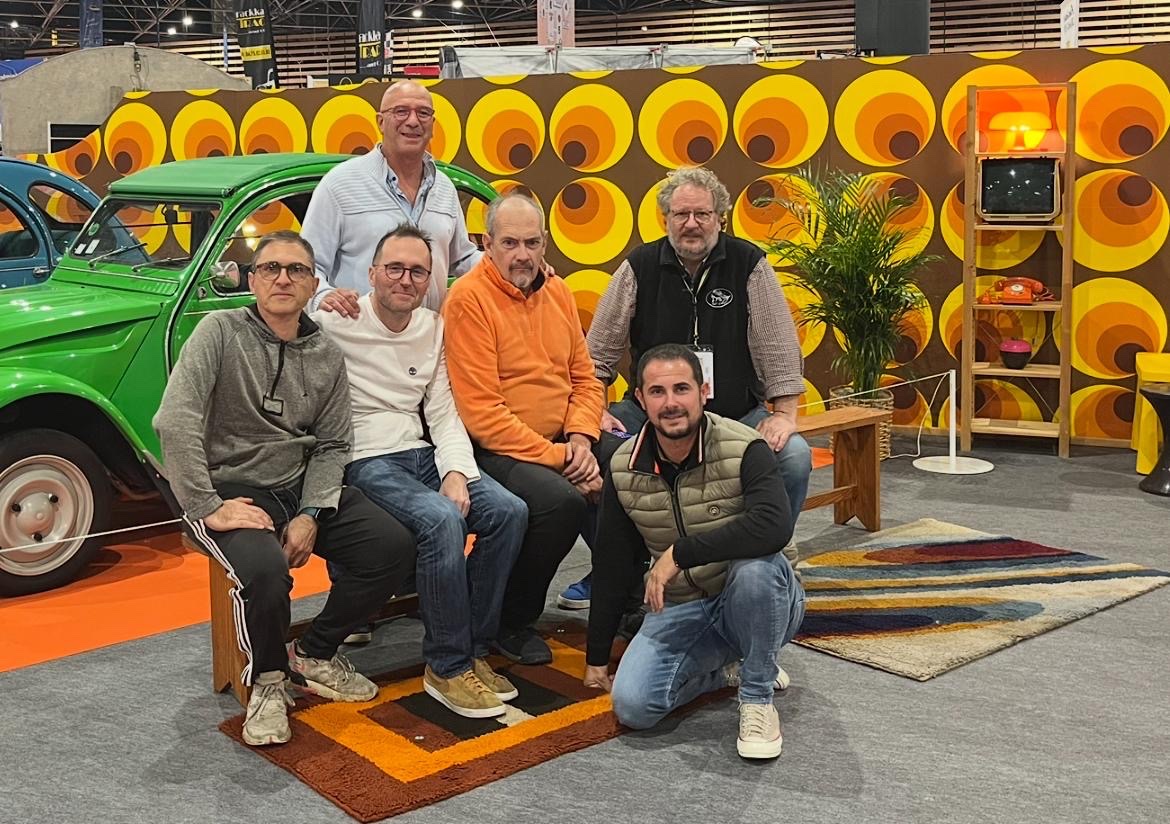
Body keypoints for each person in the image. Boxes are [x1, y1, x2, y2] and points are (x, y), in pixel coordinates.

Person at [154, 230, 415, 747]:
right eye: (270, 268)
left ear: (313, 284)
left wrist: (311, 513)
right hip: (230, 489)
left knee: (393, 546)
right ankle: (268, 681)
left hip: (298, 484)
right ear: (252, 280)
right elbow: (175, 420)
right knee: (267, 573)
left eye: (296, 270)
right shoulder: (218, 331)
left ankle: (315, 652)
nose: (282, 279)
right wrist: (207, 505)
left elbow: (334, 444)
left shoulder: (326, 353)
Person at [560, 165, 811, 609]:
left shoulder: (750, 264)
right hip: (653, 412)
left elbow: (777, 345)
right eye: (681, 214)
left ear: (721, 218)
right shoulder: (638, 266)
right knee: (587, 449)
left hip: (734, 413)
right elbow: (596, 352)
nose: (691, 224)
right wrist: (593, 409)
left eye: (702, 214)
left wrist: (784, 414)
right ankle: (615, 567)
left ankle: (762, 567)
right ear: (666, 219)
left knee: (794, 456)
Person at [314, 224, 528, 719]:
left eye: (417, 271)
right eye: (394, 268)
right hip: (365, 458)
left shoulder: (432, 327)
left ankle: (472, 648)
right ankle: (446, 665)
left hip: (420, 451)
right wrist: (322, 296)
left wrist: (456, 472)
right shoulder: (335, 321)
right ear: (372, 273)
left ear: (429, 280)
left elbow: (443, 411)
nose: (405, 279)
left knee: (509, 512)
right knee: (441, 520)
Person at [583, 344, 806, 760]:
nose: (671, 403)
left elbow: (773, 527)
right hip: (684, 607)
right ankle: (728, 671)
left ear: (704, 392)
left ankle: (757, 697)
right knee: (633, 706)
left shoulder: (745, 446)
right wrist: (596, 657)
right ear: (640, 399)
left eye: (681, 389)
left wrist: (680, 554)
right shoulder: (623, 467)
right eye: (657, 391)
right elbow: (612, 562)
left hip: (760, 597)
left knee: (756, 570)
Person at [443, 192, 615, 666]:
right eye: (510, 243)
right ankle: (512, 621)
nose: (522, 254)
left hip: (565, 437)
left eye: (532, 243)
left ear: (545, 243)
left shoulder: (558, 291)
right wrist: (564, 460)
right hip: (498, 447)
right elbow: (484, 416)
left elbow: (585, 378)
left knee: (629, 465)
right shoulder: (468, 300)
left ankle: (624, 596)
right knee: (560, 502)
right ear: (486, 243)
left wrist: (581, 439)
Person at [301, 79, 480, 317]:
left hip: (428, 334)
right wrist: (322, 296)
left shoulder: (445, 188)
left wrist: (511, 262)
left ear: (433, 124)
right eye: (401, 111)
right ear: (380, 122)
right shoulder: (340, 184)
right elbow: (306, 264)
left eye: (423, 113)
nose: (413, 121)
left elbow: (463, 258)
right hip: (357, 333)